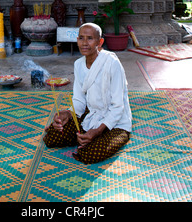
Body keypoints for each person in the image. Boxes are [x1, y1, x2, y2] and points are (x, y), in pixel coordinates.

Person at [43, 23, 132, 164]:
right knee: (52, 138)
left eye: (90, 38)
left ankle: (90, 136)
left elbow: (118, 107)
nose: (84, 43)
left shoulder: (112, 63)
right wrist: (67, 113)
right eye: (81, 38)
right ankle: (84, 135)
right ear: (77, 40)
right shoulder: (78, 64)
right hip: (92, 114)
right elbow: (79, 100)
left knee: (89, 154)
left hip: (116, 121)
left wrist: (97, 131)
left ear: (100, 42)